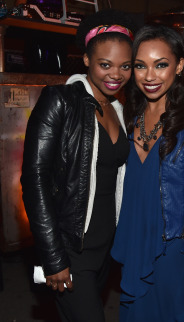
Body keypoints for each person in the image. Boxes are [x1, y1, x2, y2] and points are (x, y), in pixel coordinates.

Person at [21, 9, 135, 322]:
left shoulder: (120, 111)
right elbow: (35, 180)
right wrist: (53, 258)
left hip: (105, 249)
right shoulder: (59, 101)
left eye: (125, 66)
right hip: (70, 250)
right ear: (86, 60)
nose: (116, 74)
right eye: (105, 64)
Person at [111, 24, 184, 322]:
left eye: (161, 65)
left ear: (180, 65)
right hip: (134, 238)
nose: (149, 76)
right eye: (140, 66)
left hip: (172, 245)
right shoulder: (127, 113)